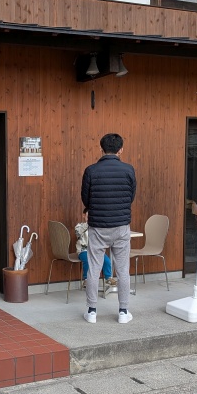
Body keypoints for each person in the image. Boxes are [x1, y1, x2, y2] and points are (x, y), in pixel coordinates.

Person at [81, 133, 137, 324]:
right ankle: (123, 312)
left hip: (98, 226)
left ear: (101, 149)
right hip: (121, 226)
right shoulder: (128, 170)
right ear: (121, 150)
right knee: (122, 270)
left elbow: (86, 198)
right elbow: (130, 196)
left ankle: (91, 312)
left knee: (93, 268)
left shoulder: (91, 170)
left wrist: (89, 208)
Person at [75, 208, 115, 288]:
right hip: (83, 250)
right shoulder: (79, 226)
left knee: (106, 260)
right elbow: (79, 231)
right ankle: (86, 279)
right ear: (84, 216)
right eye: (88, 216)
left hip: (96, 250)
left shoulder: (97, 228)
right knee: (87, 259)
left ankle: (108, 278)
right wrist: (89, 222)